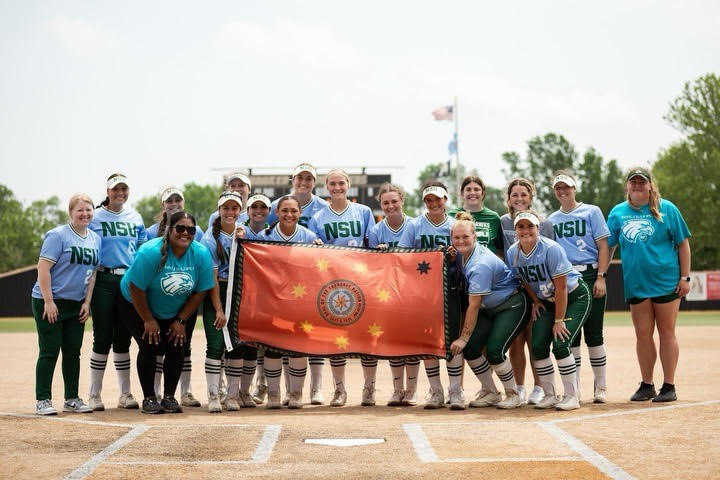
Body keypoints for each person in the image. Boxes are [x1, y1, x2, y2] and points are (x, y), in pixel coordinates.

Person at [607, 167, 691, 403]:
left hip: (666, 281)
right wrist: (601, 272)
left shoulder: (667, 209)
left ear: (650, 185)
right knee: (643, 334)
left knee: (666, 332)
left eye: (641, 182)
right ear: (627, 186)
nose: (637, 185)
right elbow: (609, 244)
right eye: (632, 182)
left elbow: (683, 244)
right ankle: (647, 384)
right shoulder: (618, 212)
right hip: (636, 282)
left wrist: (685, 277)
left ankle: (669, 385)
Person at [119, 211, 215, 414]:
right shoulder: (150, 252)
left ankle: (170, 397)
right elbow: (136, 288)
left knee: (177, 345)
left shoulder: (201, 253)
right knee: (149, 344)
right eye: (180, 228)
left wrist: (181, 320)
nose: (185, 233)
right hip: (136, 303)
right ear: (169, 230)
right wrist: (148, 320)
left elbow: (200, 291)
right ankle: (149, 398)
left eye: (190, 229)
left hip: (175, 308)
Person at [507, 210, 590, 411]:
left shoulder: (551, 249)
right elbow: (523, 279)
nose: (525, 230)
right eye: (521, 226)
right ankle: (550, 394)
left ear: (538, 228)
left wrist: (559, 320)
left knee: (561, 343)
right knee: (538, 346)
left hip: (573, 298)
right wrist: (535, 300)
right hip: (547, 301)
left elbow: (561, 287)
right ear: (515, 230)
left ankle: (572, 395)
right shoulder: (512, 252)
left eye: (530, 226)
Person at [308, 169, 375, 407]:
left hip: (361, 281)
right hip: (334, 284)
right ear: (326, 187)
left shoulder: (363, 212)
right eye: (332, 184)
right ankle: (340, 390)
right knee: (337, 339)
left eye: (341, 183)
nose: (337, 187)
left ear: (349, 185)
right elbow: (314, 250)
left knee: (367, 337)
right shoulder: (318, 217)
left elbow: (372, 245)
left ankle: (369, 388)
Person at [449, 212, 529, 410]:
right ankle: (491, 392)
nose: (460, 241)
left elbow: (474, 304)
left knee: (495, 351)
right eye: (456, 237)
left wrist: (463, 337)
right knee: (472, 349)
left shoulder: (480, 264)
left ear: (475, 236)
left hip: (511, 304)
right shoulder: (460, 255)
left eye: (465, 237)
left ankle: (513, 394)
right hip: (490, 307)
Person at [265, 163, 329, 405]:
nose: (289, 215)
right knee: (272, 345)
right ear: (277, 212)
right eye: (285, 211)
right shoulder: (266, 237)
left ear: (300, 213)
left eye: (294, 211)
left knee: (298, 344)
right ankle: (273, 393)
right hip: (274, 297)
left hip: (301, 298)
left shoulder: (309, 237)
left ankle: (295, 393)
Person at [32, 194, 101, 415]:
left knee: (72, 352)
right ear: (71, 212)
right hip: (50, 301)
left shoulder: (95, 238)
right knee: (50, 350)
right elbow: (43, 269)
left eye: (88, 210)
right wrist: (49, 301)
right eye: (80, 210)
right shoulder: (58, 235)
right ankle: (43, 399)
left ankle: (72, 398)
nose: (85, 214)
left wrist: (87, 302)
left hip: (76, 304)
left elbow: (92, 276)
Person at [398, 181, 463, 409]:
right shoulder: (414, 226)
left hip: (451, 290)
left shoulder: (455, 225)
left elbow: (469, 253)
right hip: (423, 293)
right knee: (428, 341)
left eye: (438, 199)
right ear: (424, 202)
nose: (434, 204)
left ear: (446, 199)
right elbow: (403, 256)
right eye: (429, 200)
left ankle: (456, 391)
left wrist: (456, 258)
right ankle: (436, 391)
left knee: (452, 340)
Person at [548, 172, 611, 403]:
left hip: (591, 272)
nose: (563, 191)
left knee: (594, 334)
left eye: (567, 187)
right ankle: (574, 388)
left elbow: (603, 246)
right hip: (566, 278)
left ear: (575, 188)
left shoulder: (591, 211)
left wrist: (602, 276)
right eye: (558, 188)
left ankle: (601, 386)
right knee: (570, 335)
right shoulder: (551, 220)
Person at [87, 174, 147, 411]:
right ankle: (94, 394)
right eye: (115, 189)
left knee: (124, 338)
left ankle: (125, 393)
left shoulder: (135, 217)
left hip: (127, 280)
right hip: (103, 278)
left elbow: (141, 252)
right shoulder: (95, 217)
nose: (120, 193)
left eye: (124, 188)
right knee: (102, 337)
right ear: (108, 191)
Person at [146, 185, 204, 407]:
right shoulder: (151, 232)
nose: (174, 204)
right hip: (157, 295)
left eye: (177, 200)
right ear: (163, 205)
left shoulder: (191, 229)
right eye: (169, 201)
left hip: (182, 294)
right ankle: (156, 391)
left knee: (182, 344)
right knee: (157, 345)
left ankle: (185, 391)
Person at [500, 178, 554, 405]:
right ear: (509, 199)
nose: (519, 199)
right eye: (515, 195)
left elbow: (551, 258)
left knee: (536, 339)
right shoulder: (502, 221)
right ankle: (519, 387)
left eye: (524, 194)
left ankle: (540, 387)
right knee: (516, 341)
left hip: (537, 290)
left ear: (531, 197)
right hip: (514, 288)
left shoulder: (545, 223)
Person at [201, 192, 256, 412]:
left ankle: (232, 395)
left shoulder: (246, 232)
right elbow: (212, 278)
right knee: (215, 344)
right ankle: (214, 395)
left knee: (238, 343)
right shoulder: (209, 238)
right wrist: (218, 309)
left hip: (241, 292)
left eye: (235, 208)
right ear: (219, 210)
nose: (230, 212)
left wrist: (242, 240)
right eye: (226, 208)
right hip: (218, 290)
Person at [368, 183, 419, 406]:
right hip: (386, 293)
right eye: (386, 202)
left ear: (402, 201)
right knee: (394, 341)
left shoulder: (415, 225)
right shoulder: (376, 231)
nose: (390, 206)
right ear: (381, 204)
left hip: (413, 292)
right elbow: (368, 264)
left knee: (412, 341)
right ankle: (398, 389)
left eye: (394, 201)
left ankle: (412, 390)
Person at [448, 175, 503, 251]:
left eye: (476, 189)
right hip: (460, 262)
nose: (472, 192)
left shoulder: (494, 218)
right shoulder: (451, 215)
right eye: (468, 189)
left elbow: (500, 249)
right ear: (462, 193)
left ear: (483, 193)